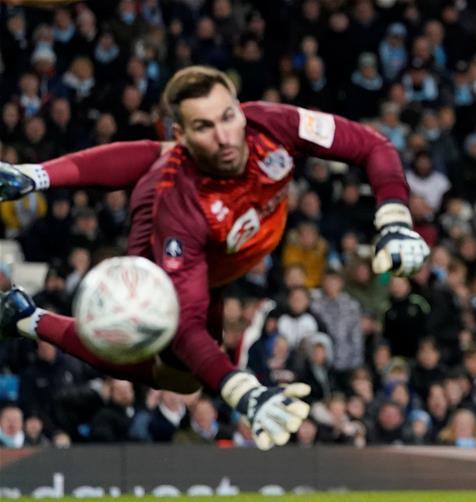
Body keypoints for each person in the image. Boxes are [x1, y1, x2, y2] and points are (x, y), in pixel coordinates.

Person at [0, 66, 430, 450]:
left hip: (225, 254)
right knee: (174, 372)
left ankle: (33, 176)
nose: (225, 136)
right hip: (177, 246)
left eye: (228, 116)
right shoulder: (179, 206)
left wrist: (394, 219)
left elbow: (372, 146)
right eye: (204, 126)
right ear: (183, 136)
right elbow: (184, 324)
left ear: (240, 109)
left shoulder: (271, 123)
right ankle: (26, 317)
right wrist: (244, 391)